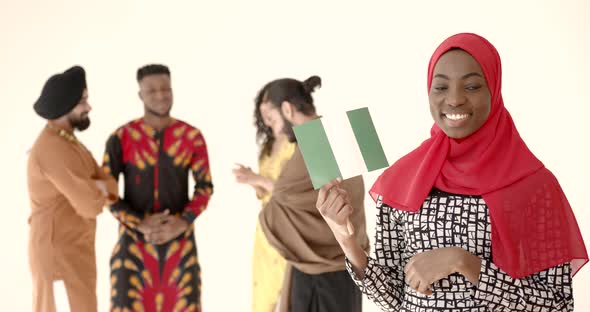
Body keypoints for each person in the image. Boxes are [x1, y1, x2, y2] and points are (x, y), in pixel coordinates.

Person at [316, 33, 588, 312]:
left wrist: (466, 264)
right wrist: (346, 240)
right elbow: (395, 298)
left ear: (494, 89)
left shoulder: (534, 186)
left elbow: (558, 305)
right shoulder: (404, 180)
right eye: (441, 87)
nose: (455, 99)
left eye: (471, 86)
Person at [102, 64, 213, 311]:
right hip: (133, 248)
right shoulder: (121, 137)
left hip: (180, 247)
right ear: (140, 95)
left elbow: (204, 187)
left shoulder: (191, 136)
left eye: (166, 89)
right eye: (152, 91)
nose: (161, 95)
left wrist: (182, 222)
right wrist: (138, 223)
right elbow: (105, 192)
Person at [257, 75, 370, 312]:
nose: (271, 127)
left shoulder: (316, 140)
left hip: (321, 278)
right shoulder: (341, 134)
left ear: (287, 109)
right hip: (346, 269)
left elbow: (282, 199)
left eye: (271, 118)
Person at [27, 65, 118, 312]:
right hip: (59, 260)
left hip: (77, 255)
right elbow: (90, 205)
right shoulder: (52, 149)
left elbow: (110, 189)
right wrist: (96, 188)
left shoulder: (69, 142)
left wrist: (95, 187)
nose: (89, 107)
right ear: (65, 105)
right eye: (83, 101)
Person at [232, 86, 296, 312]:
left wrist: (257, 178)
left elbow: (293, 192)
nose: (267, 122)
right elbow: (265, 192)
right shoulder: (268, 146)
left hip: (290, 227)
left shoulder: (297, 144)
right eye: (264, 117)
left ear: (286, 110)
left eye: (271, 115)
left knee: (289, 294)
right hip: (265, 227)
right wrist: (252, 181)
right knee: (263, 296)